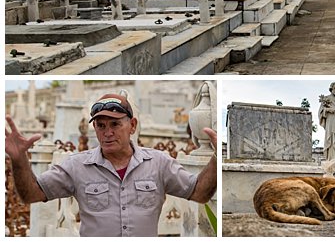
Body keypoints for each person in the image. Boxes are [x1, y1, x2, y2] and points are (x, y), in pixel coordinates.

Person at [5, 93, 217, 237]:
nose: (107, 133)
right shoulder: (76, 166)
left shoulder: (159, 163)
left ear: (132, 125)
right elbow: (31, 194)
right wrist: (18, 159)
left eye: (115, 124)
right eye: (101, 125)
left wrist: (218, 158)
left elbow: (199, 193)